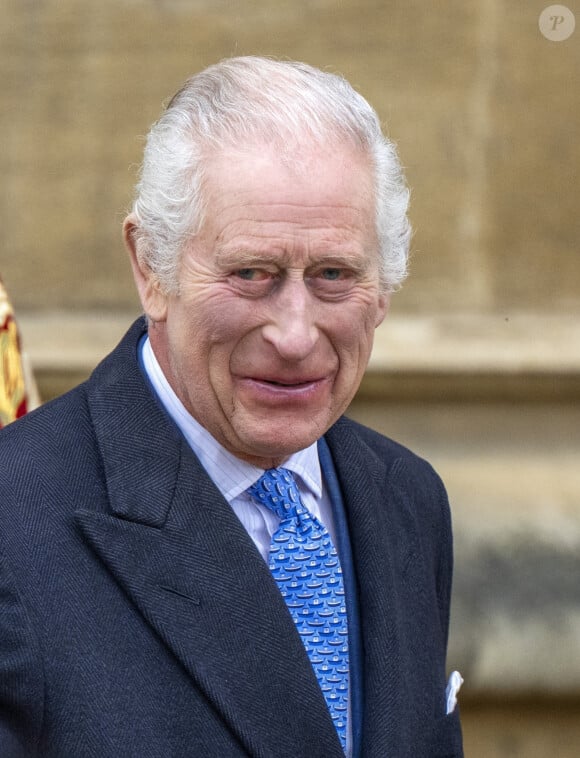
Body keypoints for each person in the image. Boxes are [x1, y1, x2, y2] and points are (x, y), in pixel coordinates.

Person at [0, 57, 463, 757]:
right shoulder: (15, 520)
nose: (296, 334)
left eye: (335, 275)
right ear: (151, 267)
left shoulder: (408, 499)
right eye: (252, 274)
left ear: (385, 285)